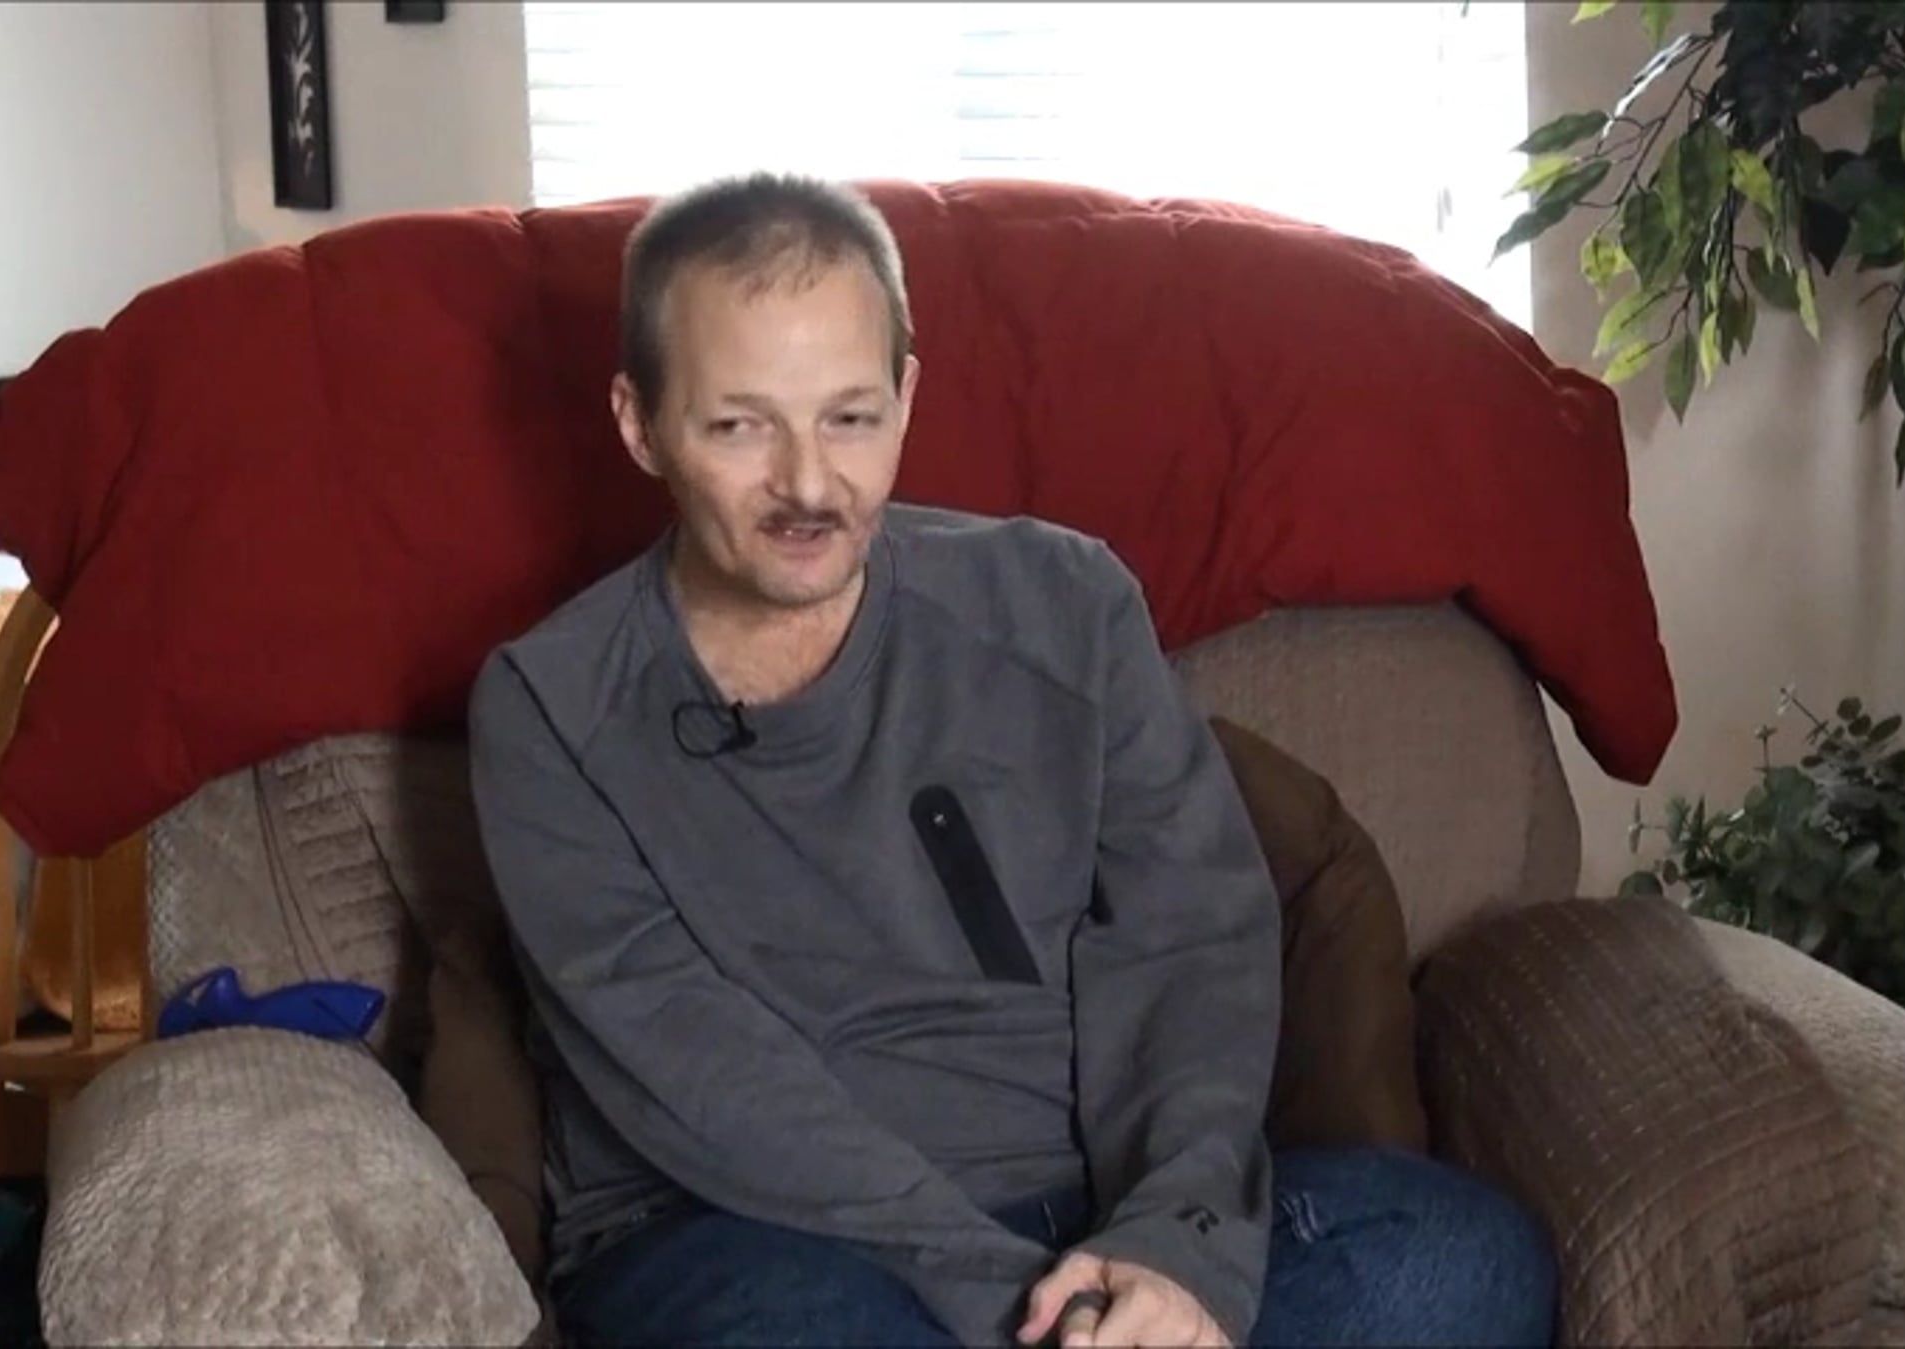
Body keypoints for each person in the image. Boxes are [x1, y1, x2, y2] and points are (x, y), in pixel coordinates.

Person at [468, 171, 1559, 1348]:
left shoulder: (1065, 601)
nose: (808, 484)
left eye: (850, 417)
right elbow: (701, 1077)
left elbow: (1190, 937)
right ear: (639, 422)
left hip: (1085, 1208)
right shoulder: (548, 706)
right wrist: (1040, 1310)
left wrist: (1174, 1244)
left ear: (907, 395)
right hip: (744, 1231)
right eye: (740, 425)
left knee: (1459, 1256)